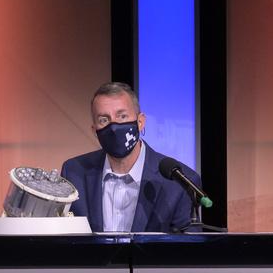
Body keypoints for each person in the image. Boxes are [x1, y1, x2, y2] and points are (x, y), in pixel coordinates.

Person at [60, 82, 200, 233]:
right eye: (104, 120)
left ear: (140, 122)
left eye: (122, 116)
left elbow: (185, 252)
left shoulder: (178, 182)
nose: (114, 127)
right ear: (94, 130)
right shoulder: (74, 173)